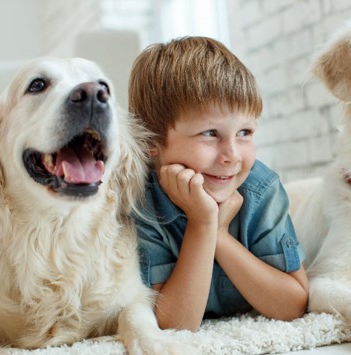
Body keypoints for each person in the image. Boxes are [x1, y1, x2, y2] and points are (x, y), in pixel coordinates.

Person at [128, 36, 308, 331]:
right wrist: (202, 224)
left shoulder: (260, 188)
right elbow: (174, 325)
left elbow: (294, 305)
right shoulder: (142, 201)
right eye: (210, 134)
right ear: (151, 141)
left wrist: (221, 236)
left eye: (245, 132)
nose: (232, 156)